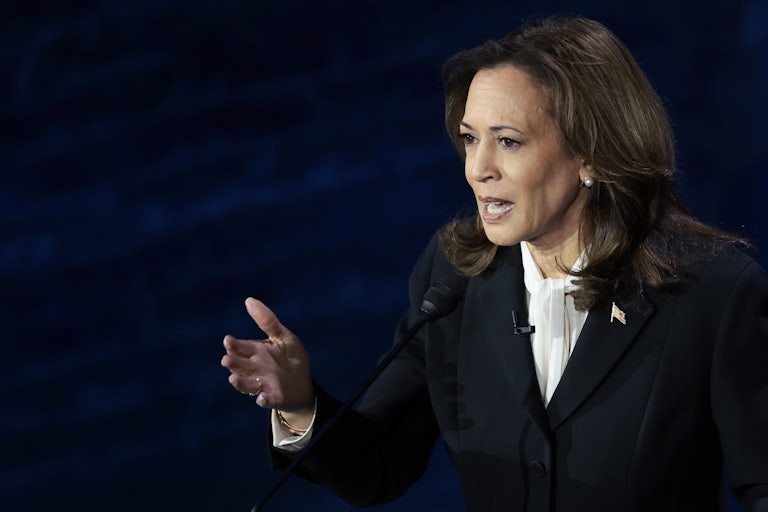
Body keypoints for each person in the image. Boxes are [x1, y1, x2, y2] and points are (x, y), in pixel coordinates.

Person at [221, 16, 768, 511]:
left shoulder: (709, 290)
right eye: (468, 139)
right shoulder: (455, 275)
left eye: (508, 141)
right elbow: (379, 467)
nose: (477, 169)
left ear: (591, 153)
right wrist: (300, 405)